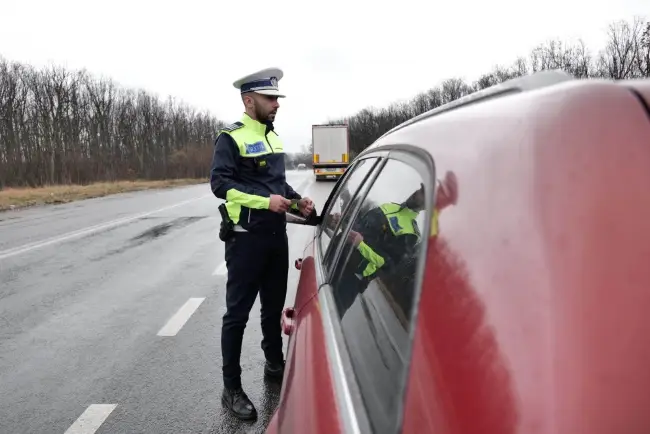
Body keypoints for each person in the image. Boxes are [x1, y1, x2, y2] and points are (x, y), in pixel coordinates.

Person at [209, 67, 314, 420]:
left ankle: (273, 362)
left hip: (275, 238)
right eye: (271, 99)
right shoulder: (231, 138)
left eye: (277, 99)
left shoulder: (274, 138)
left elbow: (278, 186)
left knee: (272, 308)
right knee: (236, 315)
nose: (276, 105)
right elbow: (221, 185)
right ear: (248, 100)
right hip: (246, 240)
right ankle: (232, 389)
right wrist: (264, 201)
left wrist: (298, 201)